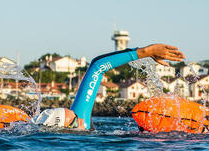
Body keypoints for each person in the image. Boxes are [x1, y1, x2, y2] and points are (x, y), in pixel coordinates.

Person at [35, 43, 185, 129]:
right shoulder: (79, 138)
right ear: (65, 131)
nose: (81, 119)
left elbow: (97, 66)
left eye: (75, 114)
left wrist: (146, 52)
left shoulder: (79, 126)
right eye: (75, 120)